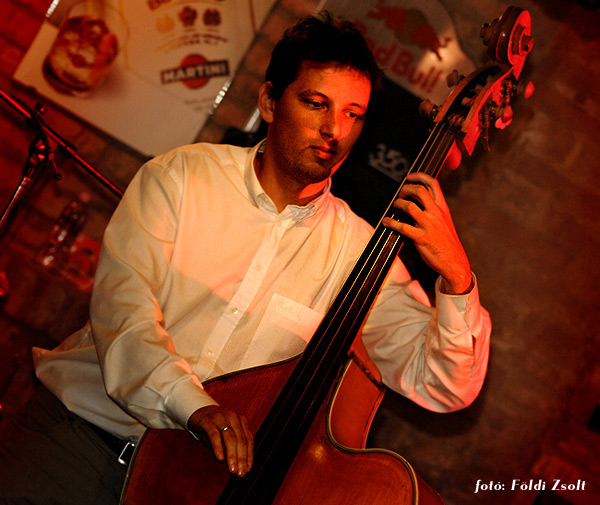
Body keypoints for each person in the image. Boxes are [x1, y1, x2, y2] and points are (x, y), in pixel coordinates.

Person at [0, 11, 491, 505]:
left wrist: (456, 275)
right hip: (74, 444)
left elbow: (444, 385)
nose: (334, 130)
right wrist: (193, 405)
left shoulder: (358, 254)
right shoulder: (181, 177)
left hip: (187, 487)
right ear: (270, 102)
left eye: (353, 114)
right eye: (316, 103)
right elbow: (124, 313)